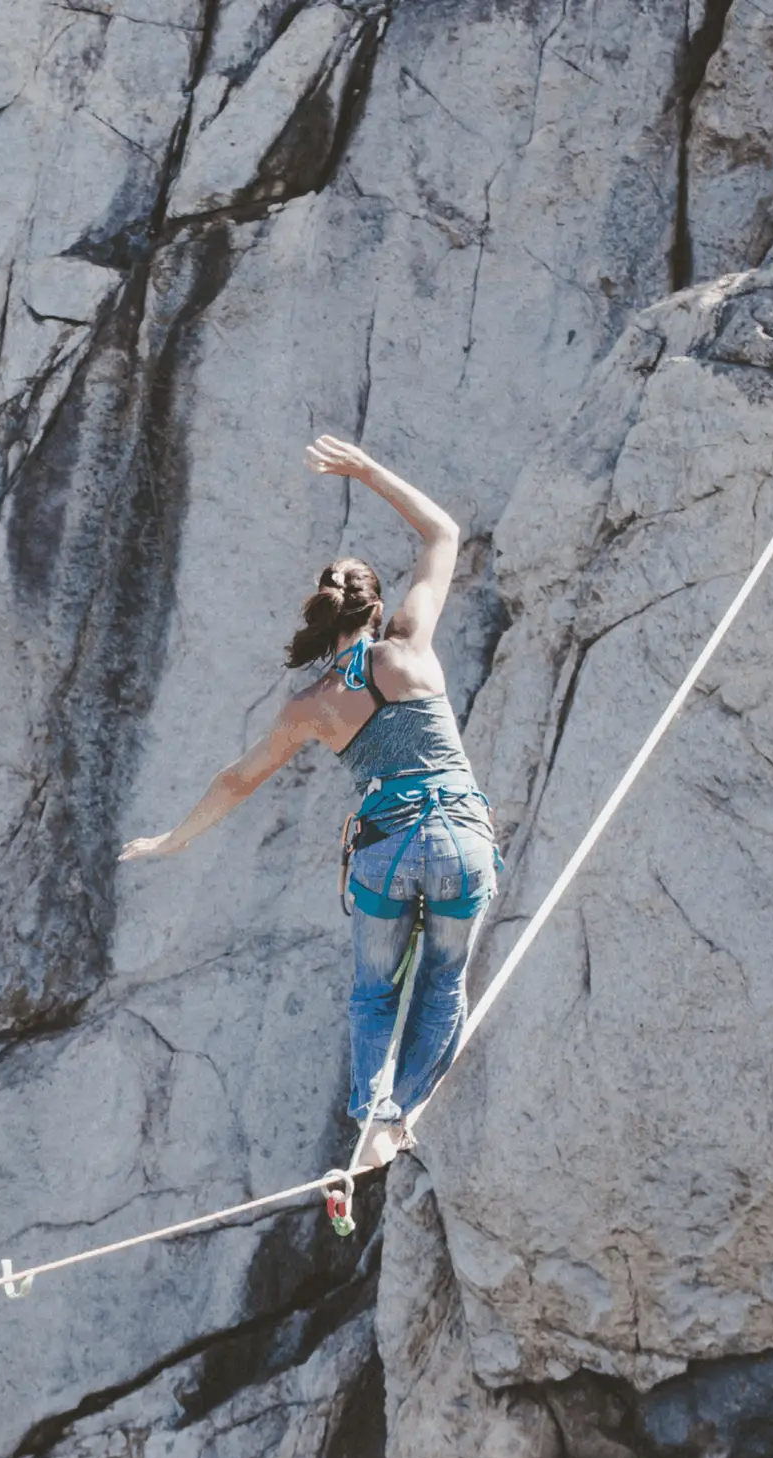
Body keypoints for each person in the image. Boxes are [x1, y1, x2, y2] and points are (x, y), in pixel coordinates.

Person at [120, 435, 497, 1169]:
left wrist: (175, 839)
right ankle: (397, 1116)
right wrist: (366, 470)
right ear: (376, 607)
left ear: (324, 621)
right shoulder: (407, 648)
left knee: (374, 992)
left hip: (386, 846)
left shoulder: (309, 707)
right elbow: (443, 534)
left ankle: (373, 1115)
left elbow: (237, 779)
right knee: (443, 981)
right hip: (458, 833)